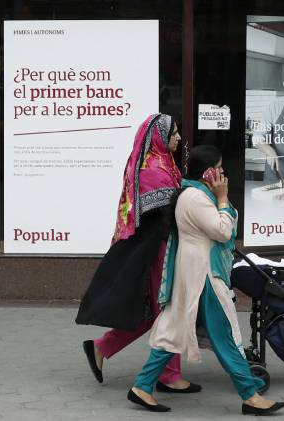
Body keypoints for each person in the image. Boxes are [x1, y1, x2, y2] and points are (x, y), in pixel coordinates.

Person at [128, 145, 284, 416]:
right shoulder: (196, 198)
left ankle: (142, 386)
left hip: (194, 274)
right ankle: (250, 395)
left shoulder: (195, 193)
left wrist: (220, 198)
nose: (224, 174)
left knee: (175, 330)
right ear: (208, 172)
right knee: (224, 336)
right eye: (220, 168)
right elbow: (222, 231)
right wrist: (223, 199)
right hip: (204, 276)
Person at [76, 114, 198, 393]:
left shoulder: (164, 164)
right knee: (168, 310)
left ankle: (103, 347)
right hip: (157, 251)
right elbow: (168, 214)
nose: (179, 138)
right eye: (174, 133)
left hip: (162, 248)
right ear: (159, 137)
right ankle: (168, 375)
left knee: (156, 312)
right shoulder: (152, 170)